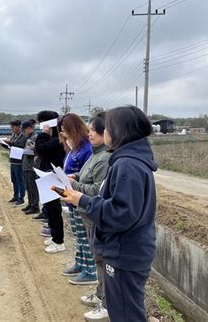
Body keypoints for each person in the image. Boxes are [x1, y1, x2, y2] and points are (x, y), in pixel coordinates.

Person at [60, 106, 157, 322]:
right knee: (124, 307)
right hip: (127, 249)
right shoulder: (127, 160)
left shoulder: (127, 165)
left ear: (119, 131)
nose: (102, 133)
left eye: (106, 129)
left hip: (124, 252)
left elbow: (121, 213)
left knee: (124, 313)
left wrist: (82, 200)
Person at [67, 112, 111, 321]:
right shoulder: (95, 154)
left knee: (102, 260)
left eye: (94, 130)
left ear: (106, 133)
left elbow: (96, 190)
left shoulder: (104, 158)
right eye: (90, 129)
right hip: (87, 213)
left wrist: (74, 185)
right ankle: (100, 293)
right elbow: (88, 179)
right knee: (97, 257)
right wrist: (76, 177)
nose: (90, 133)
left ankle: (106, 302)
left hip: (94, 214)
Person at [58, 113, 94, 282]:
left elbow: (86, 176)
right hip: (70, 195)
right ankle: (80, 262)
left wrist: (72, 179)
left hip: (80, 197)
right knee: (78, 234)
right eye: (62, 133)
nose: (64, 135)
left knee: (84, 236)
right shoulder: (74, 148)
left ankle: (90, 270)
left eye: (66, 131)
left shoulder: (87, 149)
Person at [34, 110, 66, 254]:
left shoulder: (56, 139)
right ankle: (54, 237)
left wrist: (44, 134)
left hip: (54, 177)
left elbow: (39, 149)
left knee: (54, 210)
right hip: (48, 176)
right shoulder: (52, 138)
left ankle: (59, 241)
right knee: (50, 209)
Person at [5, 120, 27, 205]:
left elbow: (21, 145)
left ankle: (21, 198)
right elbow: (13, 144)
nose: (12, 129)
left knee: (20, 180)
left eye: (13, 127)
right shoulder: (13, 134)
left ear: (18, 126)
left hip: (19, 160)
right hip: (13, 159)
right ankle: (15, 196)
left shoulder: (23, 135)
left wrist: (11, 143)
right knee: (14, 180)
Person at [20, 120, 39, 214]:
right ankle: (30, 203)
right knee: (28, 186)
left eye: (25, 130)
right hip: (26, 164)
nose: (24, 132)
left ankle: (35, 206)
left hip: (32, 165)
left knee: (32, 186)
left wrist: (32, 148)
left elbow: (36, 151)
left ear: (29, 128)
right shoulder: (28, 137)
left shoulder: (35, 137)